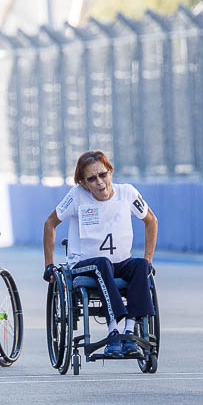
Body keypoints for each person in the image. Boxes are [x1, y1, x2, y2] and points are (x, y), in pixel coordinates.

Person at [43, 149, 158, 357]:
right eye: (92, 178)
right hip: (84, 264)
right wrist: (49, 264)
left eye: (103, 174)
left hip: (121, 262)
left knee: (141, 265)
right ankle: (113, 330)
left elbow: (151, 220)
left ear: (110, 172)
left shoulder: (127, 193)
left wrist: (149, 257)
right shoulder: (77, 196)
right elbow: (50, 223)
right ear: (84, 183)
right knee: (102, 263)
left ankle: (129, 332)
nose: (99, 182)